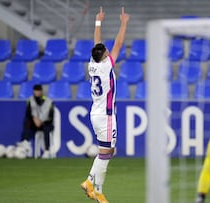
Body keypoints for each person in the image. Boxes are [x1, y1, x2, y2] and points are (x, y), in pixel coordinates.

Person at [80, 6, 129, 203]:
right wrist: (124, 22)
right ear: (105, 57)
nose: (109, 52)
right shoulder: (107, 64)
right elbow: (119, 43)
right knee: (106, 152)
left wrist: (98, 21)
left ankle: (94, 187)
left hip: (96, 113)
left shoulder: (93, 63)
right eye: (107, 52)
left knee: (108, 150)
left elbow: (97, 43)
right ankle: (93, 185)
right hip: (106, 116)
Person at [17, 84, 54, 159]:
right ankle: (25, 143)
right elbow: (28, 113)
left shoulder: (49, 101)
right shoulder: (30, 100)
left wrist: (41, 121)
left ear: (41, 91)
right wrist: (34, 119)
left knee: (46, 128)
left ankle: (47, 151)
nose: (36, 93)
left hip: (46, 123)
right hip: (35, 123)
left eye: (38, 91)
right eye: (35, 91)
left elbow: (51, 117)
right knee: (26, 121)